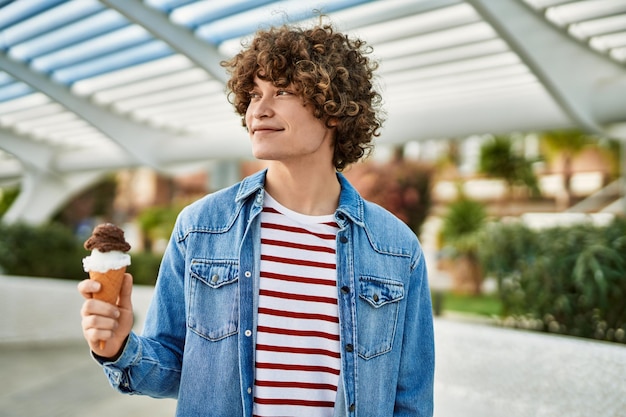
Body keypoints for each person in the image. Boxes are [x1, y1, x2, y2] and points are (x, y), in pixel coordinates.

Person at [78, 23, 435, 417]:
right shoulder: (201, 227)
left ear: (333, 108)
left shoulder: (396, 249)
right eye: (253, 94)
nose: (258, 110)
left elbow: (411, 402)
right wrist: (119, 347)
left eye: (282, 91)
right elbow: (175, 369)